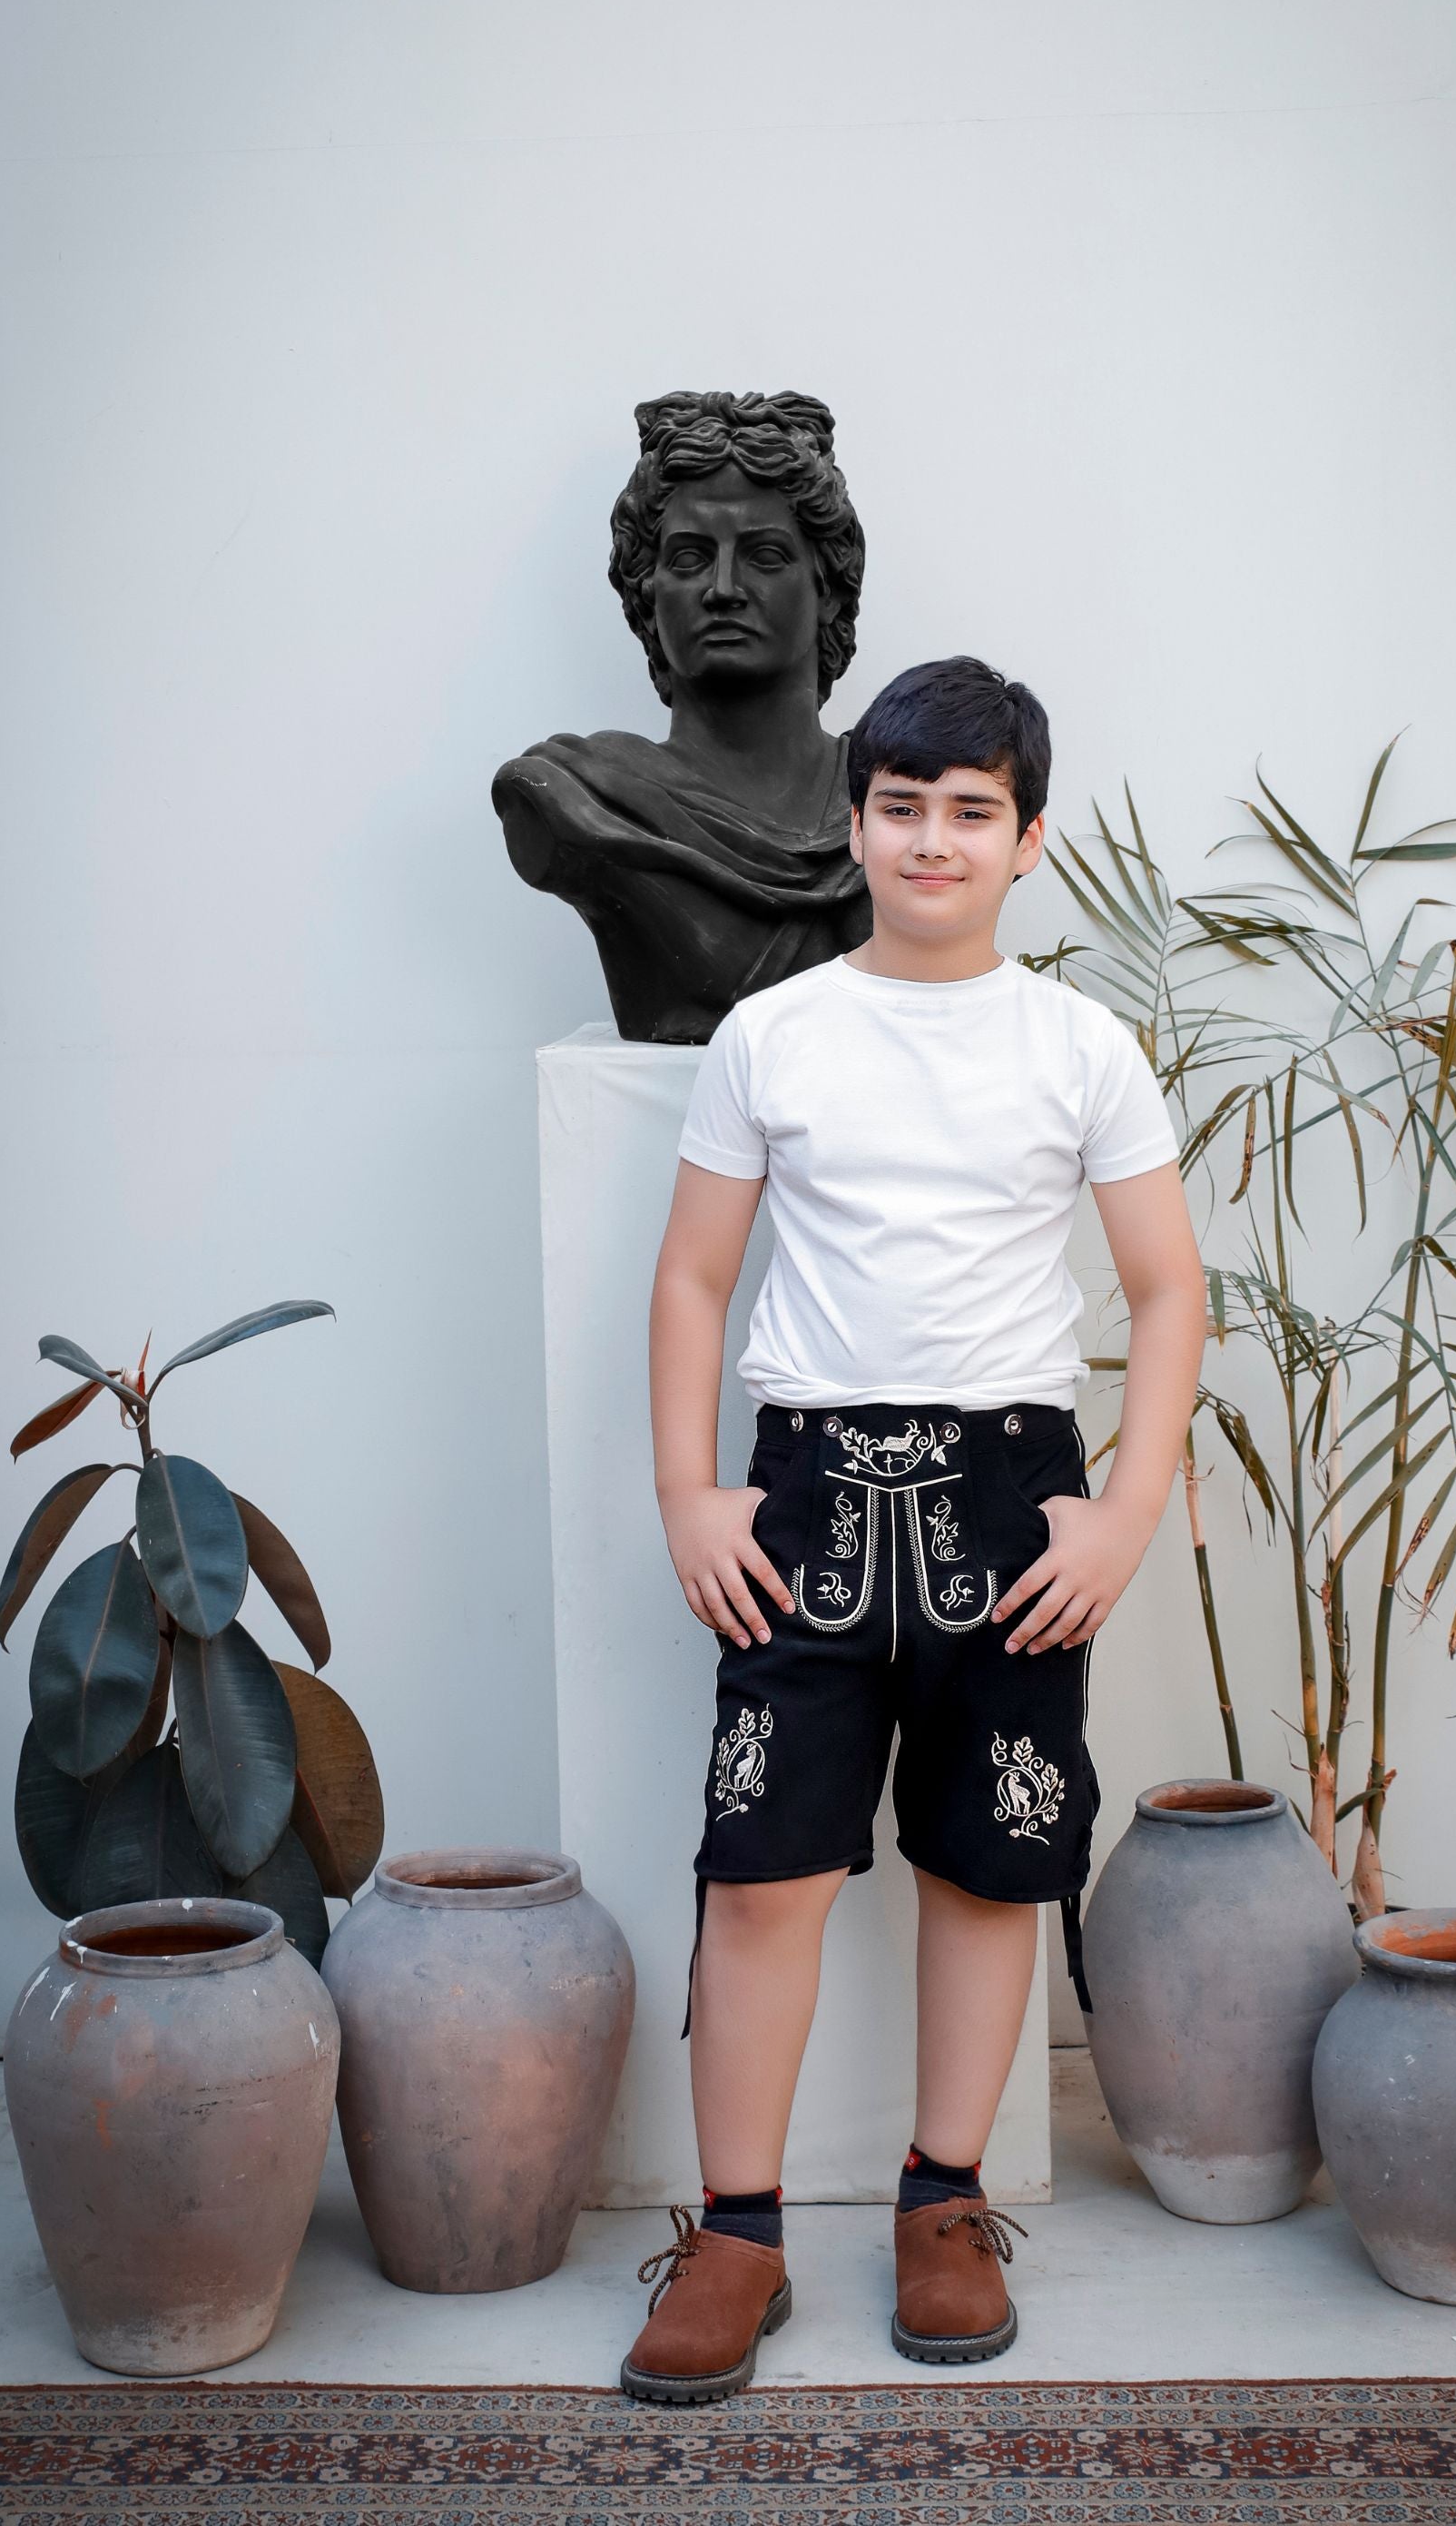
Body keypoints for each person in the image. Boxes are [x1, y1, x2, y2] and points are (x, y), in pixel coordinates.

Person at [621, 657, 1205, 2403]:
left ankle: (942, 2203)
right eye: (901, 807)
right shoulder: (776, 1036)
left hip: (1012, 1501)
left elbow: (1169, 1291)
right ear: (856, 821)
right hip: (800, 1499)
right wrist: (688, 1486)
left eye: (972, 812)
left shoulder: (1080, 1045)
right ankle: (736, 2231)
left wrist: (1120, 1511)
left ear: (1030, 839)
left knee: (984, 1856)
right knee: (763, 1868)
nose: (932, 841)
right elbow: (694, 1276)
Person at [492, 391, 872, 1043]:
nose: (723, 587)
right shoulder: (576, 795)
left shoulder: (897, 798)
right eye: (691, 558)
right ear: (646, 590)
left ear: (829, 589)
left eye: (765, 555)